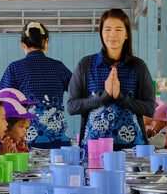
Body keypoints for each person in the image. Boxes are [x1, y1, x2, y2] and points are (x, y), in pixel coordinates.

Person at [67, 8, 156, 150]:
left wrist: (120, 97)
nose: (112, 34)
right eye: (107, 29)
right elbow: (72, 106)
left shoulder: (138, 66)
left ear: (126, 34)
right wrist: (104, 96)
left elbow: (150, 109)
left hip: (131, 147)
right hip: (94, 147)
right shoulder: (86, 64)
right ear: (101, 33)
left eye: (118, 29)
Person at [0, 22, 73, 148]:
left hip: (26, 139)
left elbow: (1, 102)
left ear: (22, 43)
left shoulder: (15, 68)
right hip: (58, 139)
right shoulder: (58, 67)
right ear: (45, 41)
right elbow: (78, 90)